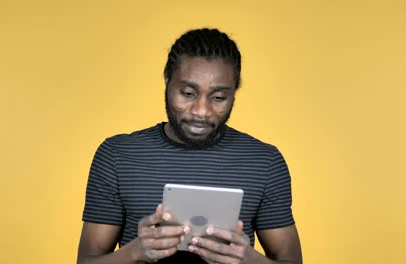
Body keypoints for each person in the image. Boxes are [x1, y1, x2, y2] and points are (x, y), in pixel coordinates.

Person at [77, 28, 302, 264]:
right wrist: (135, 252)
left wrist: (248, 259)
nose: (201, 111)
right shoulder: (117, 155)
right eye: (188, 93)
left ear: (235, 91)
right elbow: (86, 261)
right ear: (167, 78)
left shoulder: (264, 161)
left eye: (218, 98)